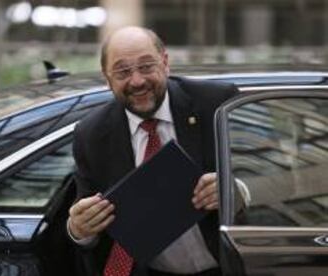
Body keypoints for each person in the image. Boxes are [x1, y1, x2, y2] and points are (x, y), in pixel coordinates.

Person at [67, 26, 239, 276]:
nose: (137, 81)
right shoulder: (92, 135)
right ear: (107, 79)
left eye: (147, 66)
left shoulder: (216, 104)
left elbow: (268, 172)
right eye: (123, 71)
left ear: (165, 63)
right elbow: (87, 217)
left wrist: (237, 191)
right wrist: (79, 230)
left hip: (227, 268)